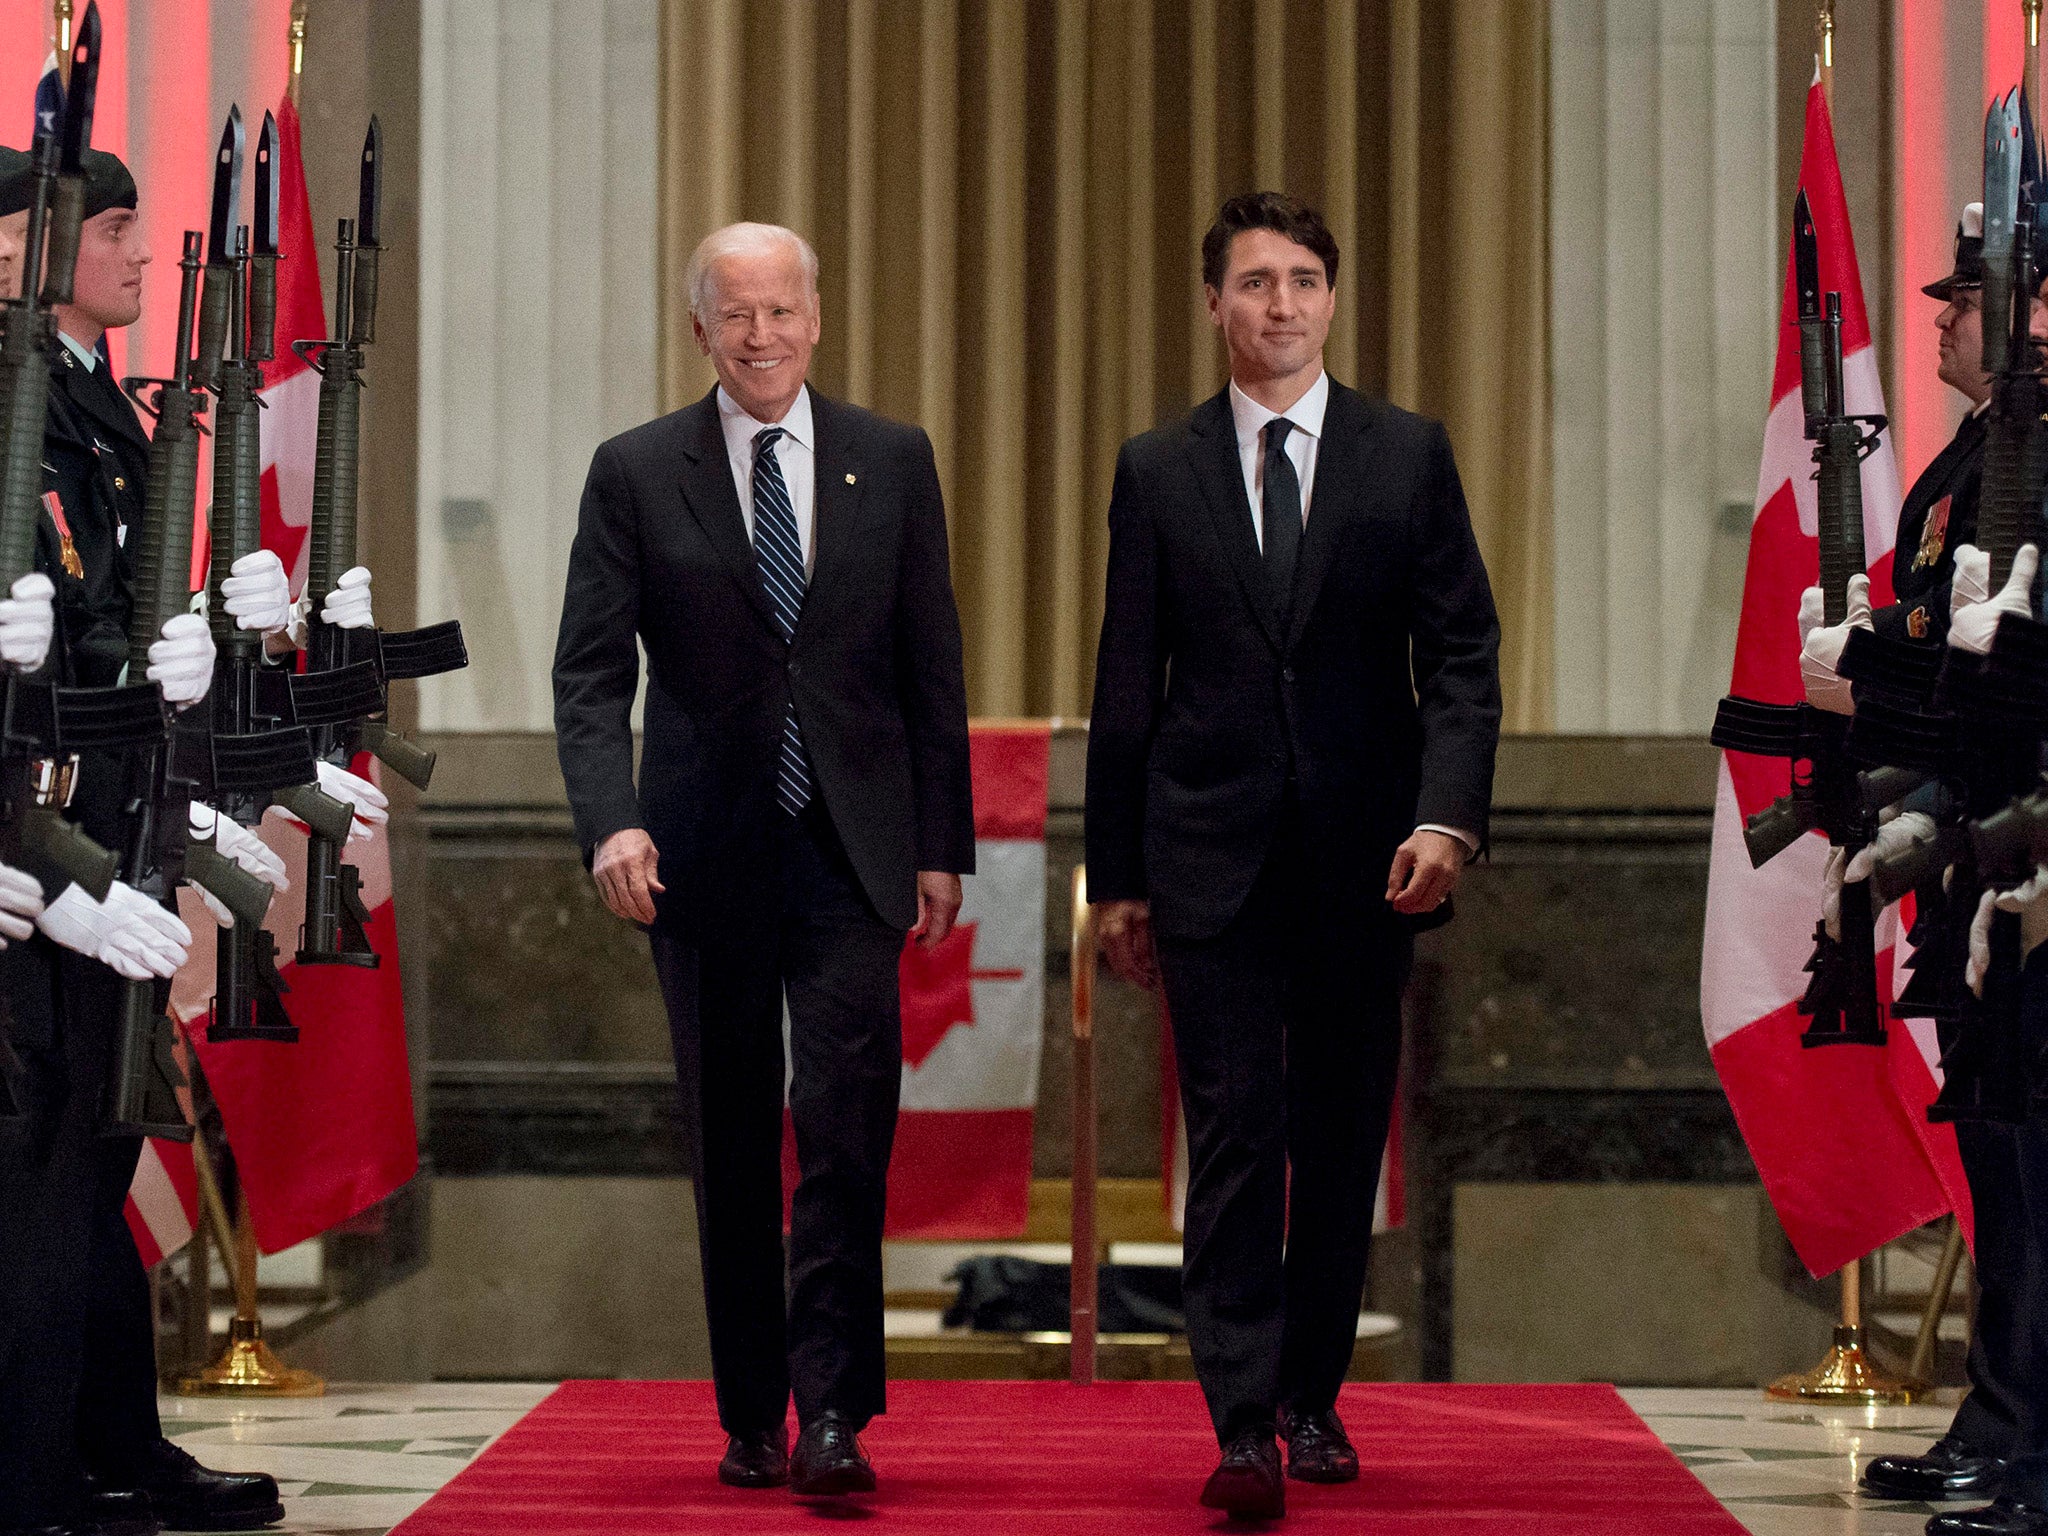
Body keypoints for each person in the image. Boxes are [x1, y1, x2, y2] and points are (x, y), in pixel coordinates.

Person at [1085, 191, 1501, 1519]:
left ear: (1332, 300)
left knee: (1336, 1140)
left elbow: (1465, 659)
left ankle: (1315, 1398)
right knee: (1235, 1137)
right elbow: (1125, 688)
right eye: (1254, 281)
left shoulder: (1406, 455)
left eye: (1304, 280)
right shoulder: (1158, 469)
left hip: (1367, 863)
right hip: (1207, 861)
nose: (1280, 303)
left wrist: (1445, 816)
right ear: (1213, 304)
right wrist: (1120, 878)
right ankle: (1244, 1422)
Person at [552, 221, 973, 1501]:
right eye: (734, 314)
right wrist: (609, 820)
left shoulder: (891, 461)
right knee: (730, 1138)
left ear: (816, 318)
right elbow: (588, 674)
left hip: (852, 852)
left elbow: (928, 667)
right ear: (699, 329)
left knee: (845, 1131)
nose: (760, 335)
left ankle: (835, 1413)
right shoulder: (635, 471)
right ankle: (752, 1413)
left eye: (781, 310)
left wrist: (941, 845)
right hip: (700, 854)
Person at [0, 145, 294, 1536]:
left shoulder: (96, 404)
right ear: (22, 246)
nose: (136, 251)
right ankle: (34, 1470)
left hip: (107, 821)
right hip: (33, 841)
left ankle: (108, 1439)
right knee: (44, 1164)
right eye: (111, 226)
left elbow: (119, 612)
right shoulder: (17, 404)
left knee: (96, 1146)